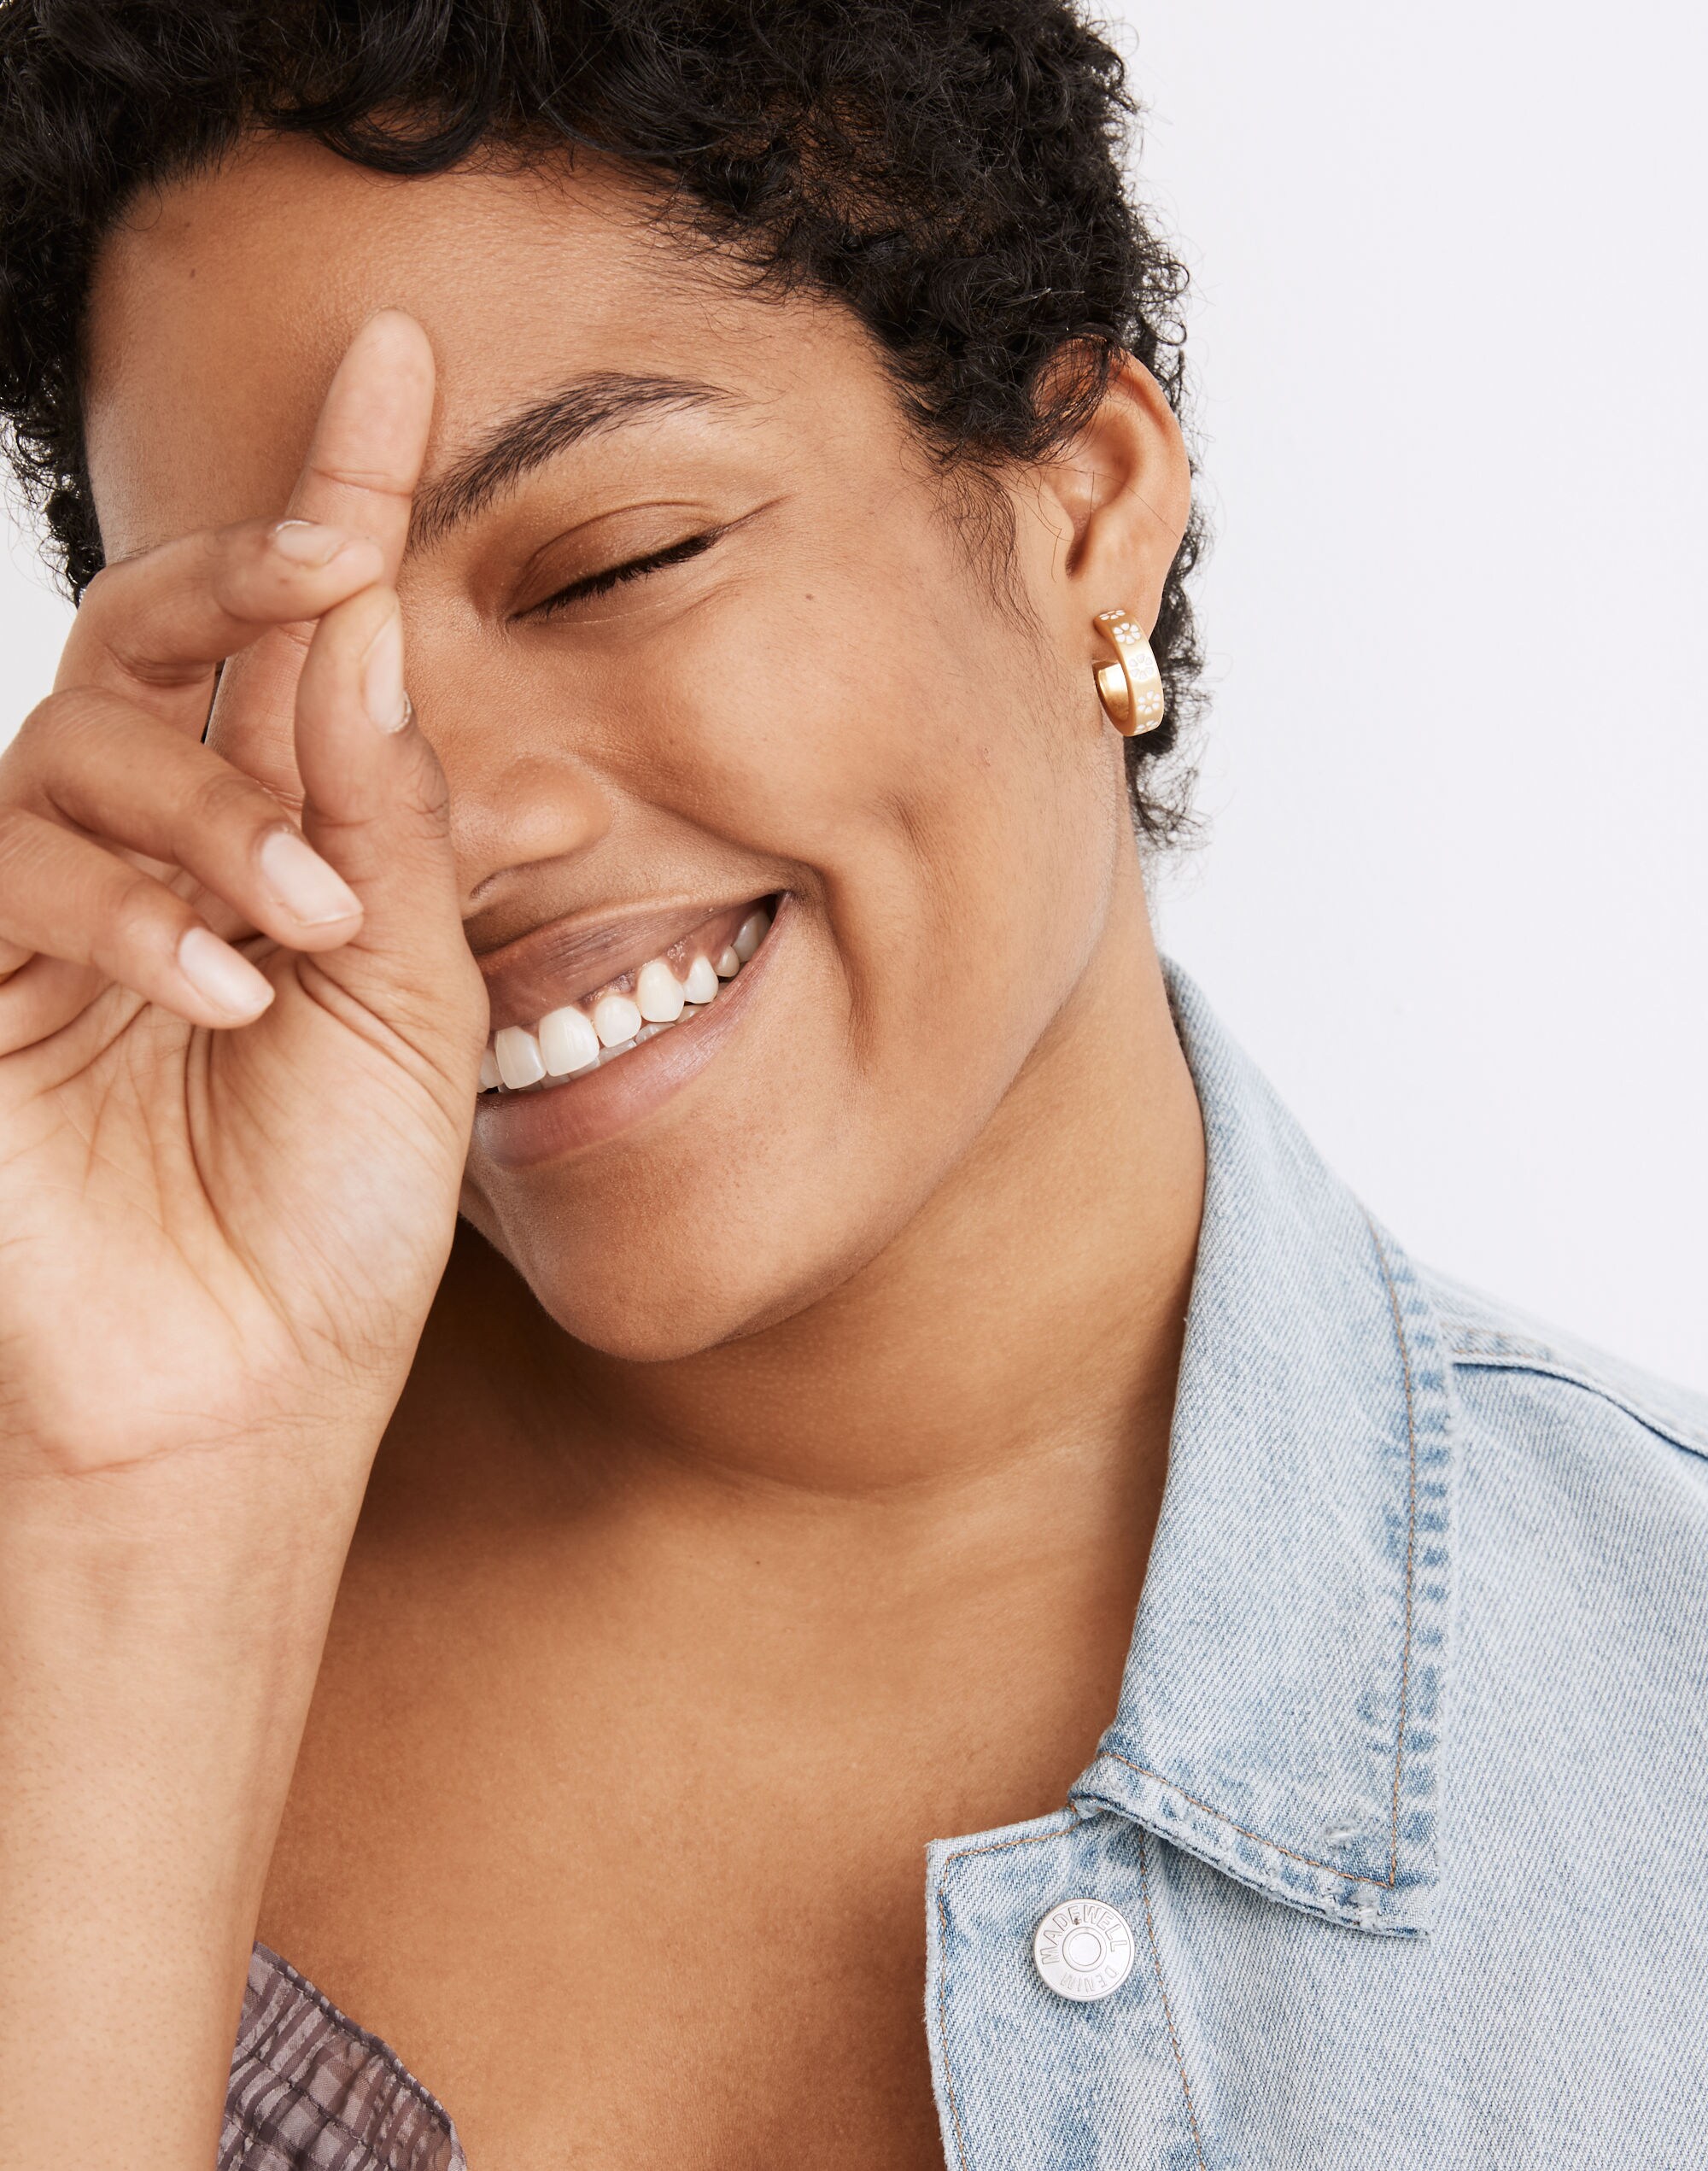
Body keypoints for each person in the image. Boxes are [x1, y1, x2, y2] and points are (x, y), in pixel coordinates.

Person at [0, 4, 1702, 2167]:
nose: (454, 825)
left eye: (615, 562)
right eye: (284, 680)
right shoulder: (54, 1547)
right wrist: (122, 1534)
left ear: (1090, 504)